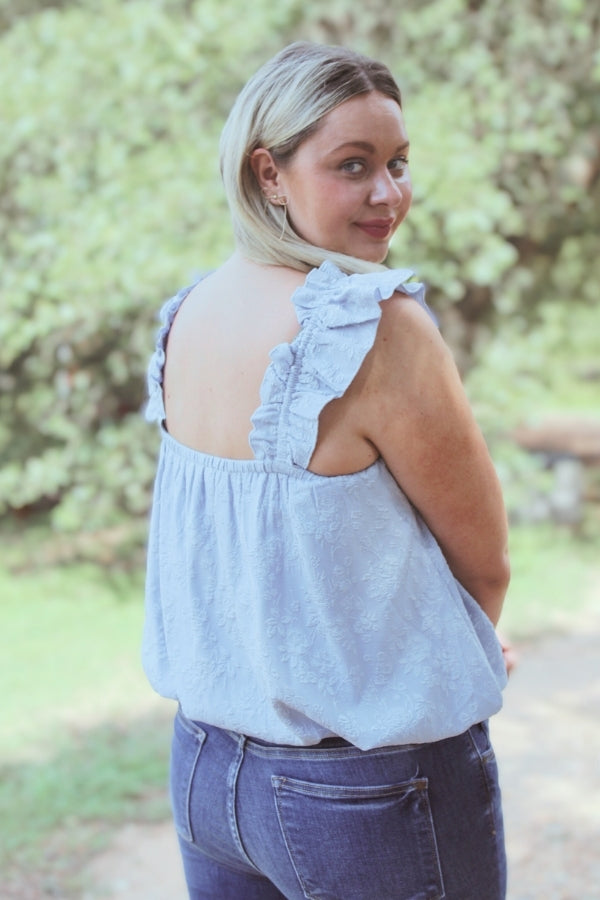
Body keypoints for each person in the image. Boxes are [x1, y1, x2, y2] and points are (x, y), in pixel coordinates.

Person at [143, 41, 511, 900]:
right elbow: (486, 561)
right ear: (269, 173)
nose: (389, 194)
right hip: (367, 791)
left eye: (399, 163)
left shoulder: (190, 313)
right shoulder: (373, 326)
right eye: (354, 166)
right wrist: (459, 642)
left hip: (206, 769)